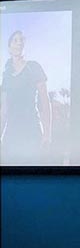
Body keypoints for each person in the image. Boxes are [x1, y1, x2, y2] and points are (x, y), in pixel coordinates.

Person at [1, 30, 51, 165]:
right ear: (9, 47)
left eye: (21, 40)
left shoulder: (34, 67)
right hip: (11, 133)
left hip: (32, 129)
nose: (19, 43)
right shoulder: (6, 75)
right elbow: (4, 110)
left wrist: (47, 134)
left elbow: (45, 103)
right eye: (15, 40)